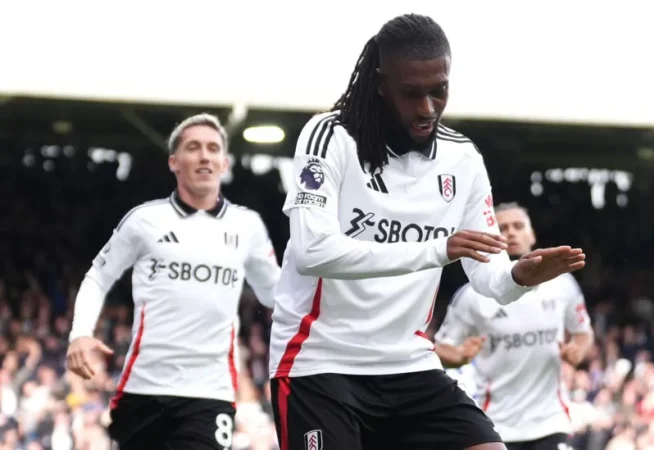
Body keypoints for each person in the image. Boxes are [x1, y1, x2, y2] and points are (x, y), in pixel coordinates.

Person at [269, 13, 586, 450]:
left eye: (439, 91)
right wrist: (436, 249)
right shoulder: (329, 136)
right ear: (381, 84)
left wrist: (517, 278)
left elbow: (489, 276)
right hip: (320, 362)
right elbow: (313, 251)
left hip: (408, 364)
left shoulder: (463, 159)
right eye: (411, 93)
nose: (427, 108)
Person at [66, 113, 281, 450]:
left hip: (210, 393)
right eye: (193, 147)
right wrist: (80, 332)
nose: (204, 156)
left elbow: (276, 295)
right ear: (174, 162)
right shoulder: (144, 220)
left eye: (213, 149)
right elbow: (97, 276)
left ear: (224, 163)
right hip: (143, 390)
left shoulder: (248, 226)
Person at [435, 202, 594, 450]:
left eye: (519, 226)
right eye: (502, 227)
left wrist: (578, 350)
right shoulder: (472, 295)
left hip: (550, 422)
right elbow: (440, 349)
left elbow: (583, 334)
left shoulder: (563, 285)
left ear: (532, 235)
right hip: (496, 425)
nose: (511, 232)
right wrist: (459, 356)